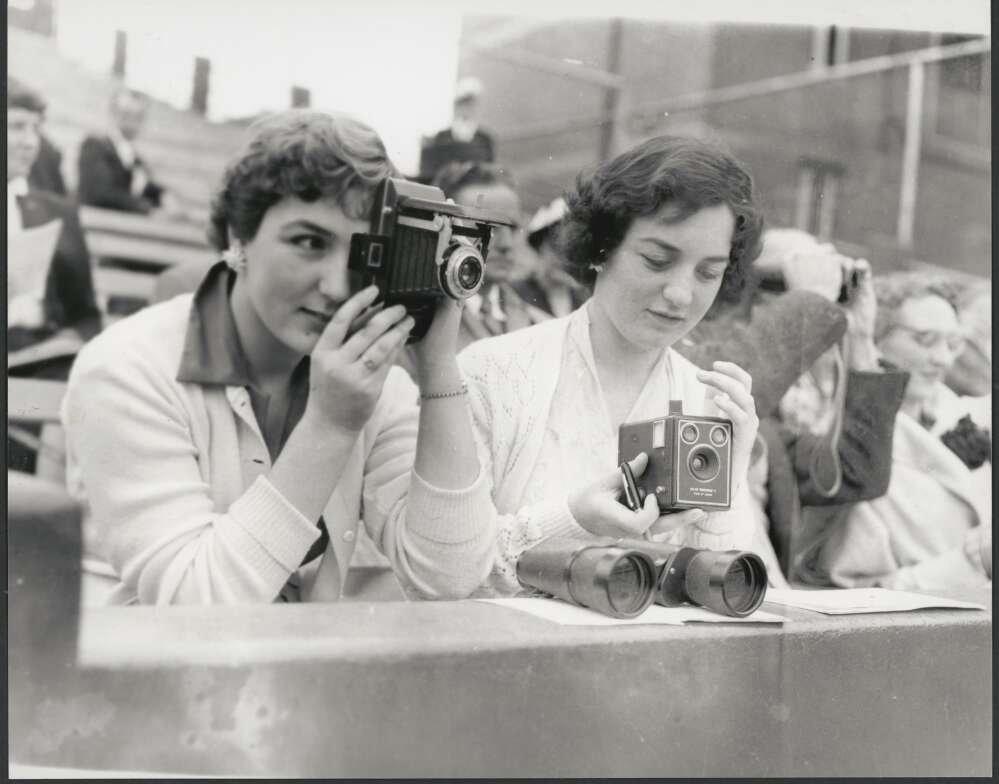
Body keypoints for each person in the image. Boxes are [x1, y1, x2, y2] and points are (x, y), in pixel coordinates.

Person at [62, 110, 496, 605]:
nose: (336, 286)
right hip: (134, 667)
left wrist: (438, 365)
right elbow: (197, 607)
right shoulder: (125, 370)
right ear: (237, 238)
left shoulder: (373, 383)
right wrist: (330, 426)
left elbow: (453, 577)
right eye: (308, 242)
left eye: (362, 252)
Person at [457, 135, 766, 595]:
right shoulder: (491, 373)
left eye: (708, 272)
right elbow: (446, 571)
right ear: (602, 247)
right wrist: (571, 521)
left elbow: (728, 595)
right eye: (657, 260)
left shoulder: (707, 399)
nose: (681, 294)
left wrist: (728, 489)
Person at [682, 228, 908, 579]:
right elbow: (713, 402)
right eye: (784, 295)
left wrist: (860, 337)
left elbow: (854, 474)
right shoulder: (683, 364)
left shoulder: (766, 430)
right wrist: (811, 298)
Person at [805, 271, 991, 591]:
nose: (943, 359)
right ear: (875, 338)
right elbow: (857, 592)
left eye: (953, 343)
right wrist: (972, 561)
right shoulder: (853, 444)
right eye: (924, 339)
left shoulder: (968, 417)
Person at [8, 81, 103, 474]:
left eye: (36, 128)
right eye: (16, 127)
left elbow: (86, 314)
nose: (30, 142)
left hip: (41, 356)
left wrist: (74, 342)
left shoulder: (56, 212)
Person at [432, 161, 550, 351]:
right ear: (445, 228)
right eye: (487, 228)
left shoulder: (539, 323)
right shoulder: (420, 326)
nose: (506, 245)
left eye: (512, 228)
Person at [77, 86, 168, 214]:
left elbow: (145, 188)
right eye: (126, 114)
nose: (132, 122)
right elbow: (100, 194)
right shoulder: (94, 146)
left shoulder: (136, 159)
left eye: (138, 117)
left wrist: (164, 196)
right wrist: (147, 208)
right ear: (113, 114)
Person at [512, 197, 590, 318]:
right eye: (557, 246)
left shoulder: (585, 301)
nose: (566, 258)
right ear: (539, 248)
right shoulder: (515, 294)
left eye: (574, 249)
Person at [418, 77, 496, 183]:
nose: (466, 109)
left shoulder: (485, 138)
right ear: (456, 106)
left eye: (471, 104)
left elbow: (490, 172)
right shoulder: (442, 136)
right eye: (462, 104)